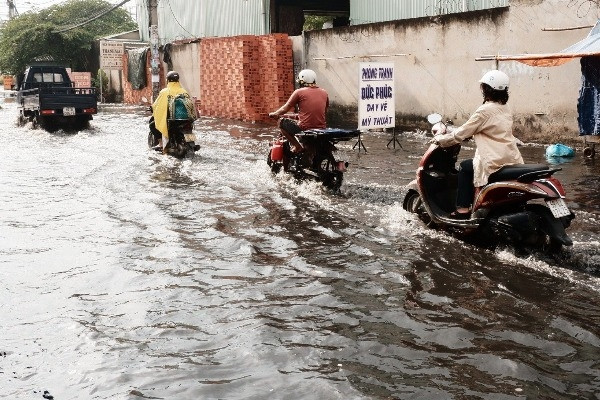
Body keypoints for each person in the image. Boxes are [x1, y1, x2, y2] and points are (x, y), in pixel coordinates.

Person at [432, 70, 524, 219]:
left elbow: (461, 133)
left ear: (487, 89)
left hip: (494, 161)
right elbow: (492, 130)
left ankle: (462, 210)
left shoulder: (484, 111)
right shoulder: (505, 108)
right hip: (511, 158)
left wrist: (439, 140)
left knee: (464, 167)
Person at [268, 69, 329, 154]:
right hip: (321, 128)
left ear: (302, 81)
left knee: (281, 122)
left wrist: (275, 114)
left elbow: (285, 108)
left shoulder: (299, 92)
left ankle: (297, 146)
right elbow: (323, 112)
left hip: (305, 128)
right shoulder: (324, 92)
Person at [152, 70, 191, 152]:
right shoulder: (184, 91)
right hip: (185, 118)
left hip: (171, 119)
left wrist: (152, 107)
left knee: (152, 124)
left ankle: (161, 143)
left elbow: (158, 105)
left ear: (168, 80)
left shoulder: (165, 92)